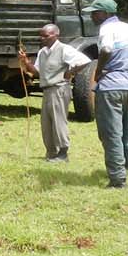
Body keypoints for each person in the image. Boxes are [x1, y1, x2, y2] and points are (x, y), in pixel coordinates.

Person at [85, 0, 128, 188]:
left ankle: (117, 180)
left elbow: (106, 49)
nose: (92, 16)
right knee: (124, 131)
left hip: (109, 88)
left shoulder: (107, 29)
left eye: (95, 13)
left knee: (110, 134)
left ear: (105, 14)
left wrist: (98, 72)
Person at [30, 23, 92, 162]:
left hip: (59, 89)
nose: (42, 38)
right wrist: (25, 62)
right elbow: (36, 72)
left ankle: (63, 153)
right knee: (46, 123)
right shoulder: (43, 52)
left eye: (46, 36)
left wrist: (70, 72)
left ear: (56, 35)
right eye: (41, 36)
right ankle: (52, 152)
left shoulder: (64, 49)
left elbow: (85, 61)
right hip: (47, 90)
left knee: (58, 122)